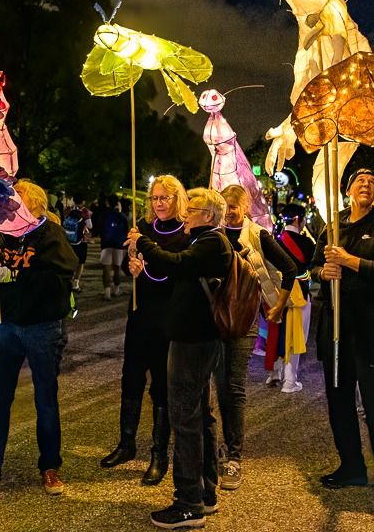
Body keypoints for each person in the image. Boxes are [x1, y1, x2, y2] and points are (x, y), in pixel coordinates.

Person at [126, 188, 232, 529]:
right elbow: (169, 269)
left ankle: (188, 503)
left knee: (186, 418)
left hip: (193, 341)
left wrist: (142, 242)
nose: (185, 214)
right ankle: (206, 492)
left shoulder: (211, 243)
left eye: (193, 209)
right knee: (200, 415)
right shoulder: (205, 242)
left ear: (209, 216)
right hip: (195, 340)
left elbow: (174, 263)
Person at [312, 168, 374, 512]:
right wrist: (324, 271)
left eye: (372, 182)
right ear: (348, 190)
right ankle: (352, 466)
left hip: (370, 331)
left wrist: (349, 261)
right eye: (359, 182)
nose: (365, 185)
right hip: (335, 331)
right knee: (338, 404)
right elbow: (312, 268)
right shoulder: (333, 227)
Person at [0, 180, 77, 498]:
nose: (12, 207)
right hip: (5, 325)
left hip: (42, 326)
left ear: (37, 207)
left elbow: (63, 270)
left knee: (45, 398)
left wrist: (17, 275)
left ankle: (49, 465)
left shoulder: (50, 234)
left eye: (19, 202)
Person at [101, 176, 189, 486]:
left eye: (165, 197)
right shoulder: (144, 231)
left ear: (177, 199)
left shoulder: (185, 234)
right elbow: (134, 267)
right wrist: (132, 266)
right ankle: (127, 444)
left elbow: (172, 269)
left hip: (167, 319)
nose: (160, 203)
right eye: (155, 198)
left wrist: (145, 256)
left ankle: (159, 454)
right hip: (139, 316)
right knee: (131, 379)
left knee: (161, 386)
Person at [215, 184, 297, 490]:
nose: (230, 211)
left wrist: (278, 305)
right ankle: (217, 445)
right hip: (213, 318)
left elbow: (291, 269)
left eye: (235, 206)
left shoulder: (258, 235)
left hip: (244, 318)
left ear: (246, 208)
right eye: (225, 206)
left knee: (233, 386)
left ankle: (234, 455)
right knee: (217, 384)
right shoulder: (214, 234)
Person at [271, 203, 316, 393]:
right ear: (298, 219)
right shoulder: (307, 242)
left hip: (276, 292)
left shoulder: (274, 240)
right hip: (298, 294)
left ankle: (275, 373)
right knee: (296, 336)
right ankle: (290, 381)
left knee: (278, 332)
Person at [100, 195, 128, 301]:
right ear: (117, 203)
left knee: (106, 269)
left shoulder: (104, 215)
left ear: (108, 202)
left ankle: (107, 292)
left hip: (106, 244)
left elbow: (99, 228)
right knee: (117, 268)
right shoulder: (122, 216)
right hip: (119, 244)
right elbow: (126, 231)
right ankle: (116, 290)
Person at [63, 197, 92, 292]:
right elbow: (90, 226)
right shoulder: (85, 211)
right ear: (83, 201)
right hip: (81, 241)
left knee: (69, 260)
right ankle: (76, 283)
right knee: (81, 262)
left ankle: (67, 280)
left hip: (68, 240)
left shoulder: (68, 209)